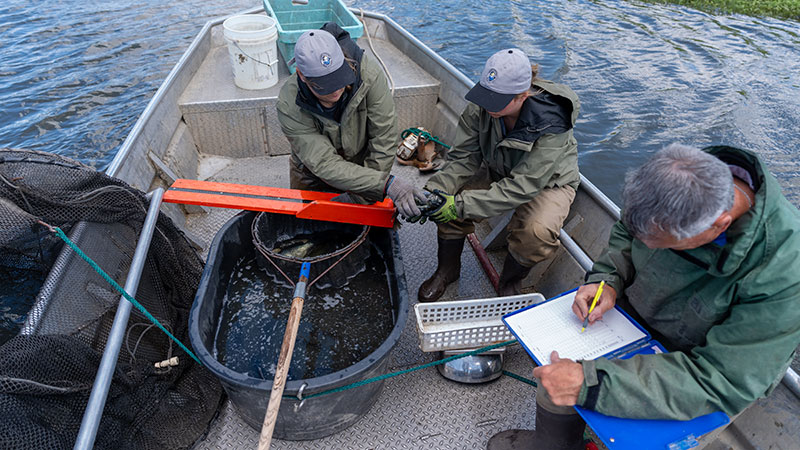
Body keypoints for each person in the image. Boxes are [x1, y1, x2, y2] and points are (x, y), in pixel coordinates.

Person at [488, 144, 800, 449]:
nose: (646, 248)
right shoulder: (671, 180)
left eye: (664, 244)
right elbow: (627, 232)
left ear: (719, 225)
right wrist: (608, 280)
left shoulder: (785, 273)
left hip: (697, 370)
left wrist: (592, 384)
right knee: (555, 378)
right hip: (631, 320)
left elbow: (723, 381)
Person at [416, 48, 580, 302]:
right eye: (486, 95)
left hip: (548, 182)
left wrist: (458, 206)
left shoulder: (553, 123)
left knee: (537, 231)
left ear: (523, 96)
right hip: (499, 167)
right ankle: (447, 270)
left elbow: (523, 186)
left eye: (497, 100)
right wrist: (433, 192)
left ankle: (509, 283)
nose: (487, 105)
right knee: (447, 196)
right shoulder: (482, 106)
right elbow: (464, 158)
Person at [276, 24, 425, 219]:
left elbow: (383, 136)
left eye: (339, 79)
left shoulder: (369, 74)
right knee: (313, 221)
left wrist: (366, 195)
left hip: (364, 164)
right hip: (312, 171)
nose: (336, 90)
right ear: (301, 75)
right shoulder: (288, 103)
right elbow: (323, 162)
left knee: (367, 221)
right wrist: (384, 184)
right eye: (325, 86)